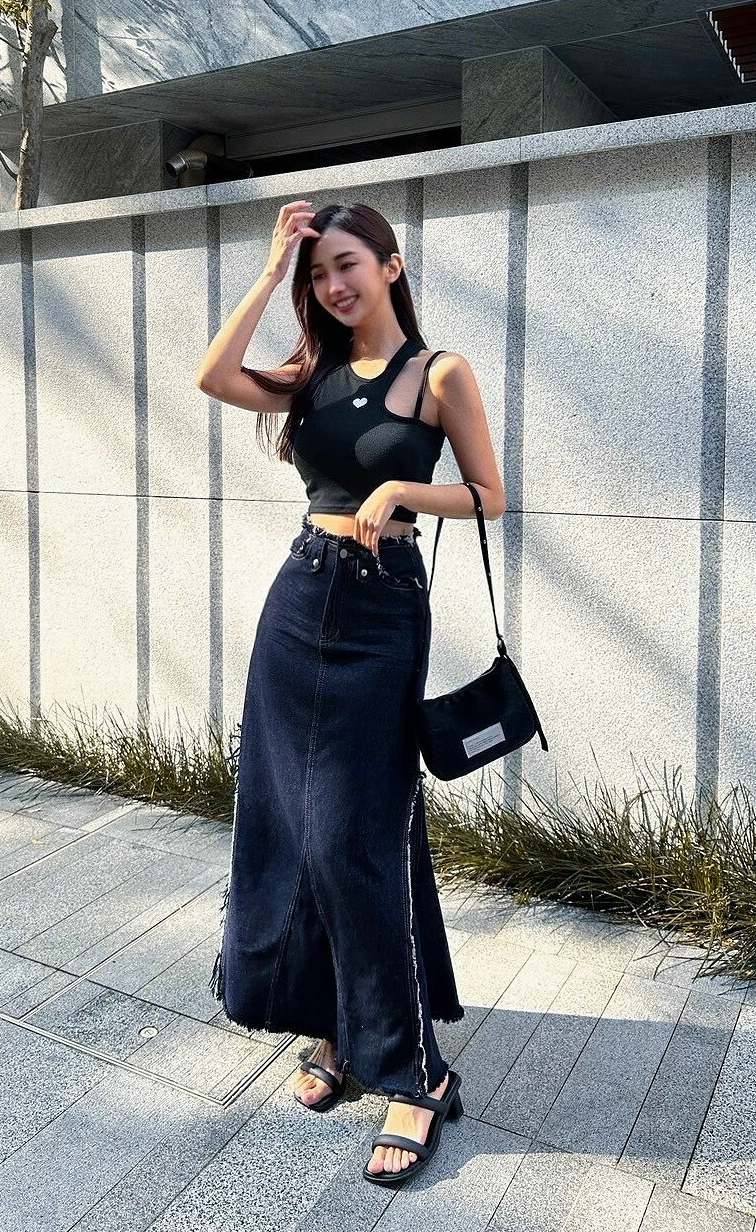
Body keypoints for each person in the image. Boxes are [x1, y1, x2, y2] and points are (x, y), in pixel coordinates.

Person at [194, 198, 505, 1184]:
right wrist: (270, 266)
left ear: (390, 264)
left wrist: (402, 489)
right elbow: (213, 374)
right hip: (297, 604)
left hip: (380, 612)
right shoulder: (312, 372)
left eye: (345, 264)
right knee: (292, 828)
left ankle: (418, 1074)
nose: (333, 285)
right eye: (318, 272)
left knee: (354, 837)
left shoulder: (439, 373)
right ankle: (334, 1023)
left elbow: (491, 494)